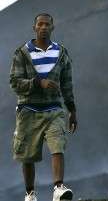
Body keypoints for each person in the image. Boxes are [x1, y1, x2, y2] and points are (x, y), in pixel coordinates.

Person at [10, 13, 77, 201]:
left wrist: (72, 110)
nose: (44, 27)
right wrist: (38, 83)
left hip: (54, 109)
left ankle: (58, 188)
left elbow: (67, 84)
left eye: (47, 24)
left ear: (52, 28)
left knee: (58, 146)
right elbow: (14, 82)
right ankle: (30, 193)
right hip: (28, 110)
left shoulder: (61, 52)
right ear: (34, 28)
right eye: (40, 24)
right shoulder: (22, 53)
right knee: (28, 155)